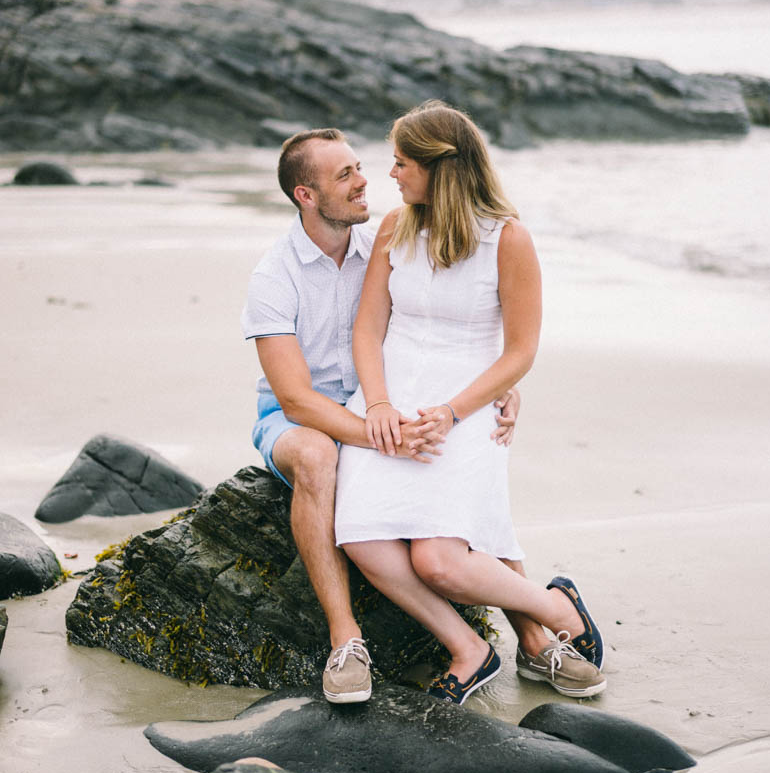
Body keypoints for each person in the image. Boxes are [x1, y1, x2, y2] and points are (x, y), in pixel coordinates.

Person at [335, 101, 606, 704]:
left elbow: (520, 352)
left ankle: (555, 607)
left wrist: (454, 413)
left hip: (467, 407)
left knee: (440, 562)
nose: (392, 175)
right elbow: (367, 330)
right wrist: (377, 405)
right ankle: (469, 649)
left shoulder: (508, 239)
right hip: (389, 401)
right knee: (361, 535)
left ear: (440, 167)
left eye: (402, 162)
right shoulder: (394, 227)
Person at [241, 127, 520, 704]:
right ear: (306, 196)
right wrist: (379, 435)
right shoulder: (274, 276)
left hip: (383, 405)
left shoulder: (389, 240)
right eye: (345, 175)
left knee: (467, 462)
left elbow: (444, 328)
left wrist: (503, 386)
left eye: (361, 167)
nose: (366, 180)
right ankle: (347, 641)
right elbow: (294, 399)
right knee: (318, 455)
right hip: (305, 418)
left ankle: (535, 632)